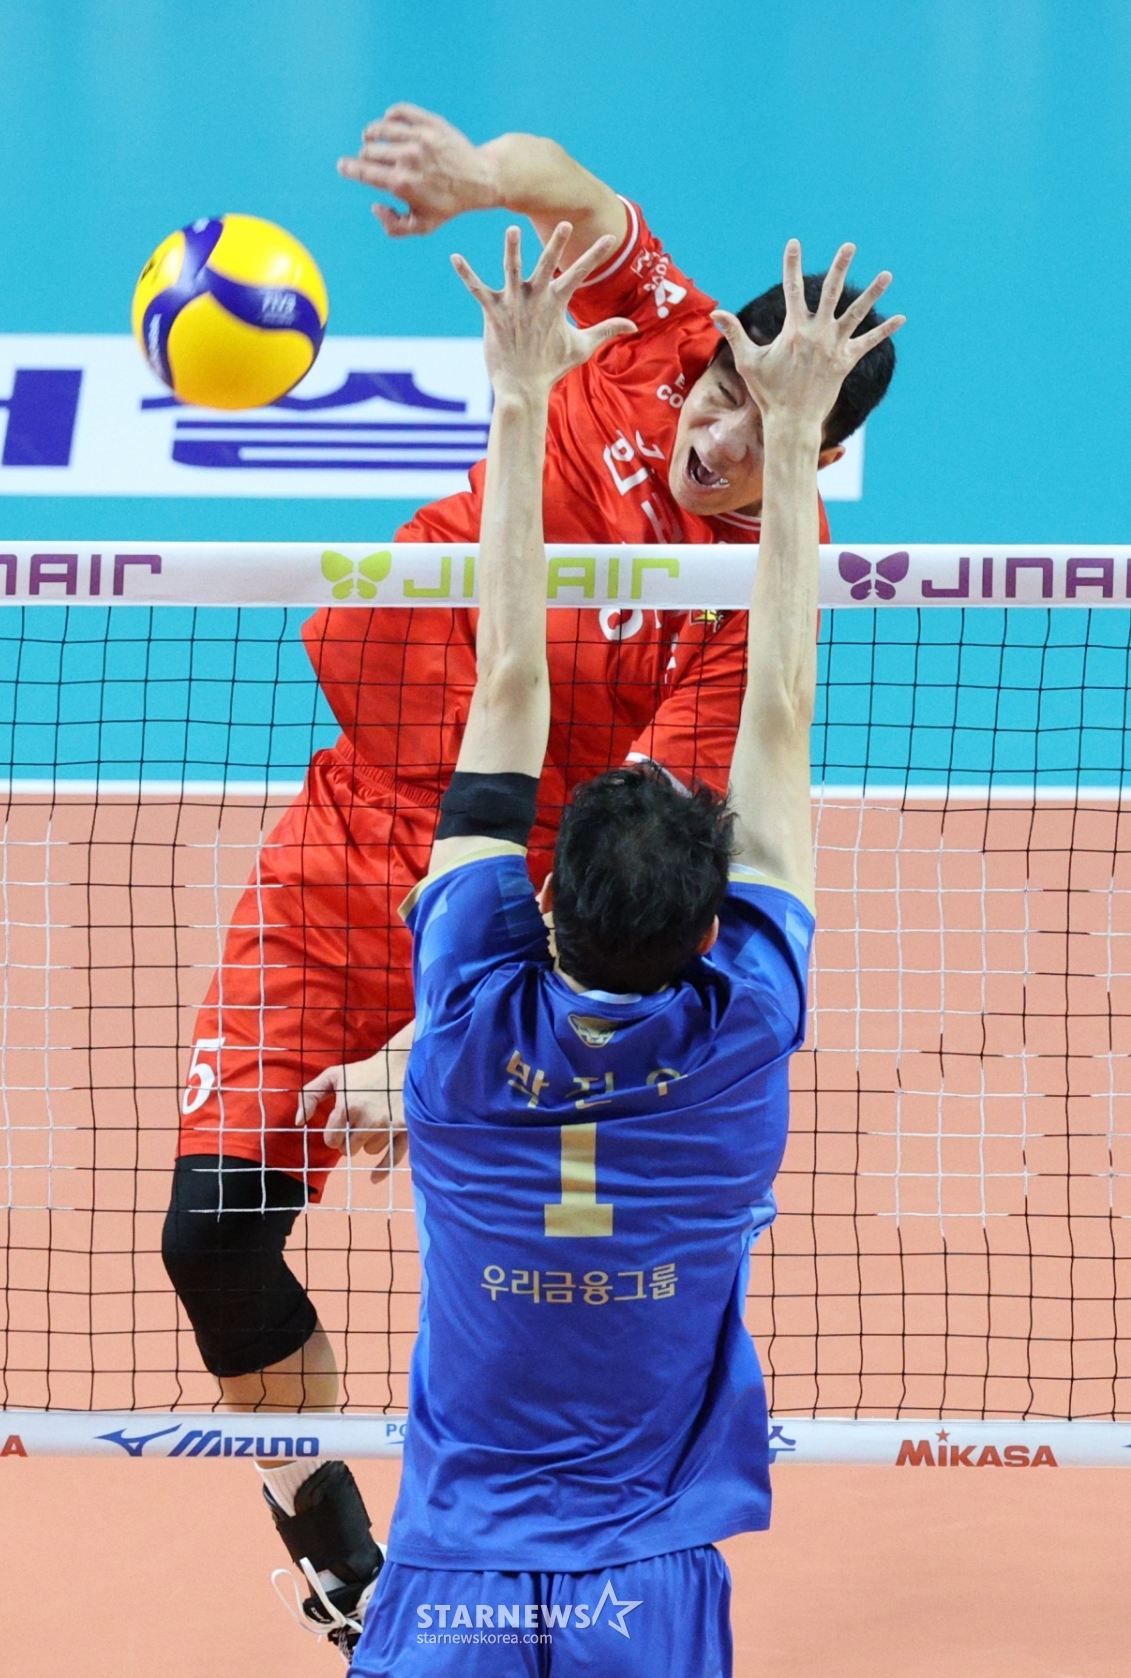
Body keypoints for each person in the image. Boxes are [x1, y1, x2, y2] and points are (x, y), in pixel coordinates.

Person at [160, 104, 898, 1656]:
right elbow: (576, 187)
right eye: (717, 390)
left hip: (499, 896)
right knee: (211, 1238)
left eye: (757, 431)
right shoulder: (660, 332)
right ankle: (339, 1555)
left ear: (817, 452)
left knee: (535, 1291)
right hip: (344, 835)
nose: (715, 436)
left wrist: (437, 1034)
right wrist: (477, 182)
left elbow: (629, 872)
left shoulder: (744, 601)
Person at [348, 225, 901, 1676]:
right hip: (644, 1578)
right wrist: (798, 441)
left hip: (453, 1569)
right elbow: (778, 709)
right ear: (711, 925)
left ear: (542, 908)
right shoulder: (743, 1034)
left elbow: (509, 677)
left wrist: (518, 397)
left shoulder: (464, 1026)